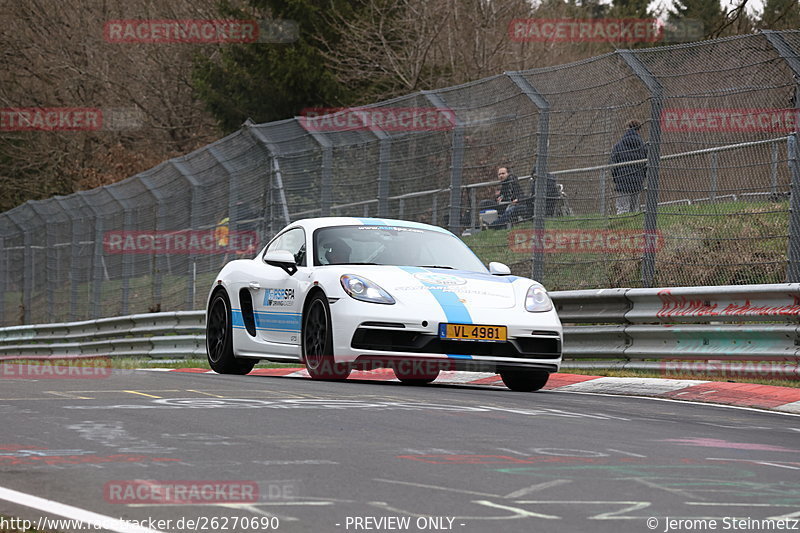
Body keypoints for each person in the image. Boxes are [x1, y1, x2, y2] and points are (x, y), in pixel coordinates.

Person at [610, 119, 647, 215]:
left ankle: (622, 229)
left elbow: (613, 164)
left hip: (622, 181)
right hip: (637, 182)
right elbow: (646, 165)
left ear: (627, 129)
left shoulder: (618, 146)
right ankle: (634, 229)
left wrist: (616, 178)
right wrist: (642, 177)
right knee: (634, 209)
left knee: (622, 208)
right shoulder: (643, 146)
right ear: (638, 130)